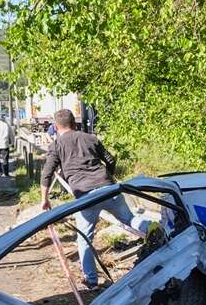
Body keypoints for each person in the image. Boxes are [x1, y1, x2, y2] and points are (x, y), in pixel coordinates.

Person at [40, 109, 153, 289]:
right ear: (74, 124)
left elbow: (46, 173)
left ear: (55, 126)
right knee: (130, 219)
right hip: (109, 188)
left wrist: (44, 199)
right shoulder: (90, 138)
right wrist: (109, 178)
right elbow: (110, 159)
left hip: (86, 196)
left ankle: (91, 279)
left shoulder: (56, 145)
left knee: (85, 238)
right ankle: (157, 230)